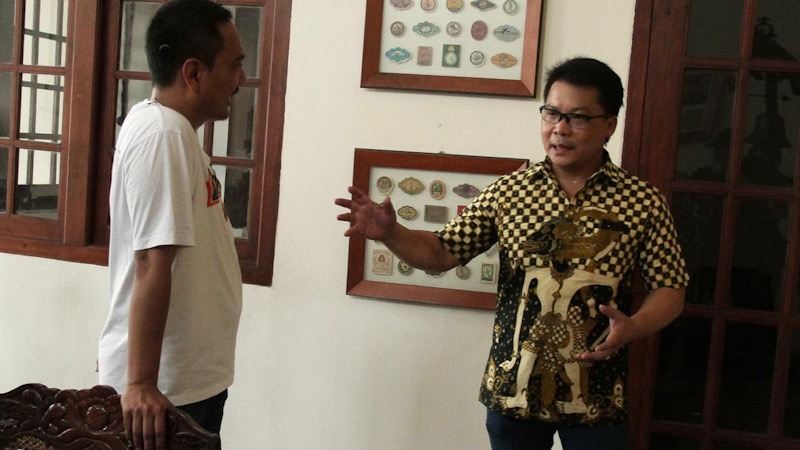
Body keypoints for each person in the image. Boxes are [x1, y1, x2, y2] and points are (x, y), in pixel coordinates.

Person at [335, 57, 689, 450]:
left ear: (609, 125)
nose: (559, 128)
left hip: (598, 394)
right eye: (551, 113)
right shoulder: (510, 193)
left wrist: (634, 326)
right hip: (513, 391)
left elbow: (670, 287)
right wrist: (391, 233)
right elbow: (441, 252)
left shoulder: (642, 202)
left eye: (577, 117)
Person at [98, 1, 246, 448]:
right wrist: (141, 382)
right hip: (164, 392)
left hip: (185, 382)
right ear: (194, 73)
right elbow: (150, 260)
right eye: (234, 65)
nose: (240, 79)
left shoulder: (173, 132)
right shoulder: (163, 134)